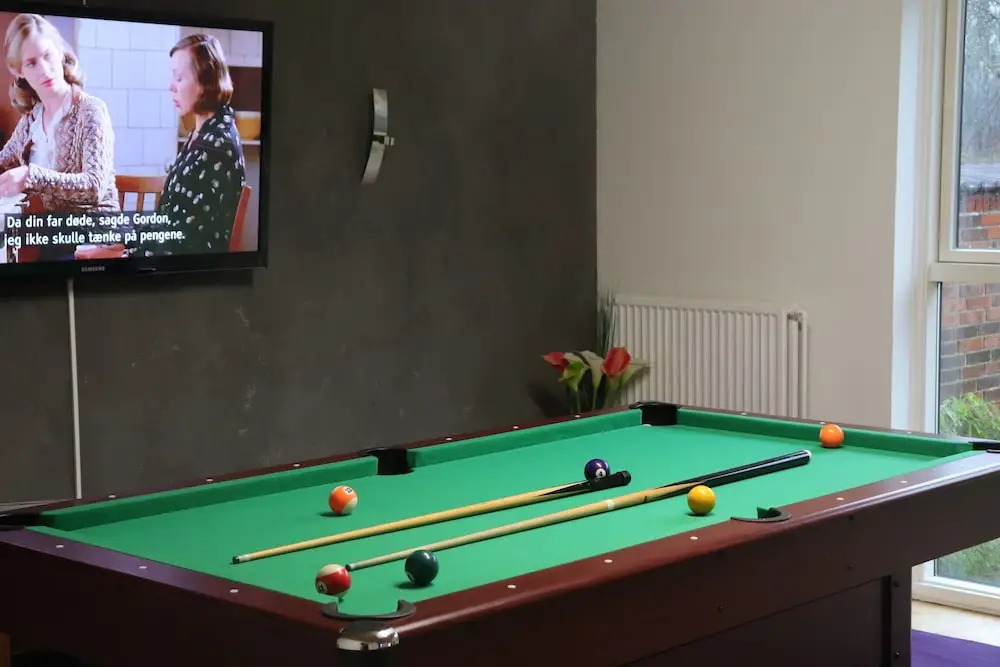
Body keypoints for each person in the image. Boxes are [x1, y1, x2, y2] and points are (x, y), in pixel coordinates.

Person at [136, 33, 245, 257]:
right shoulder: (204, 130)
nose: (171, 86)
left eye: (179, 78)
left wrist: (125, 256)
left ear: (206, 83)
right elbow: (169, 221)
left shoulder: (215, 146)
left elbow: (182, 242)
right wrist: (124, 242)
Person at [0, 14, 118, 211]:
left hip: (96, 227)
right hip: (51, 227)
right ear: (19, 71)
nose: (44, 70)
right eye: (31, 63)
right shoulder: (32, 119)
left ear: (60, 52)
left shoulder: (91, 110)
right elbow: (3, 161)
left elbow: (94, 186)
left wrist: (31, 176)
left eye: (47, 56)